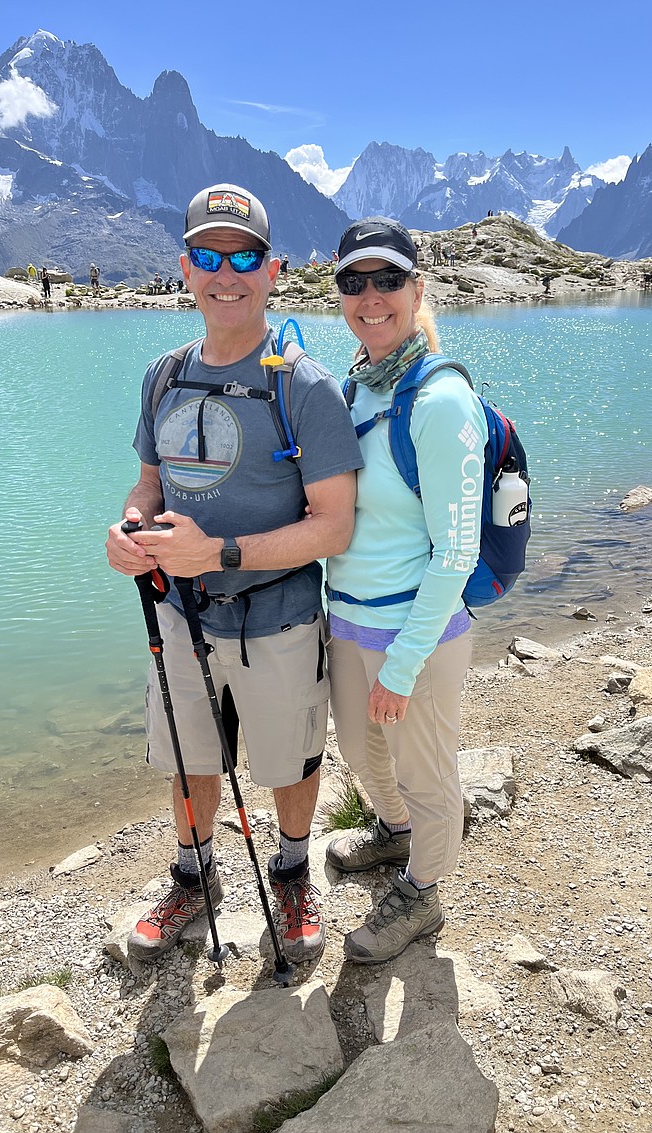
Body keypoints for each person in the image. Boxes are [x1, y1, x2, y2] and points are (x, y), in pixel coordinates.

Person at [105, 183, 363, 967]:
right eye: (210, 256)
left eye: (244, 255)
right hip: (180, 614)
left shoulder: (304, 385)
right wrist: (129, 529)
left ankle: (289, 870)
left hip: (276, 615)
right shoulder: (163, 374)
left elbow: (334, 525)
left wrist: (218, 553)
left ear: (273, 269)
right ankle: (194, 874)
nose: (227, 272)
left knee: (290, 757)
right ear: (185, 267)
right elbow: (150, 483)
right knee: (189, 751)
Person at [324, 217, 485, 964]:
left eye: (387, 279)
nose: (371, 295)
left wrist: (404, 661)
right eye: (353, 282)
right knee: (359, 749)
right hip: (348, 619)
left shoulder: (441, 399)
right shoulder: (355, 385)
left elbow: (457, 550)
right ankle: (395, 838)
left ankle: (424, 891)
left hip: (415, 630)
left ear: (418, 290)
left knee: (427, 772)